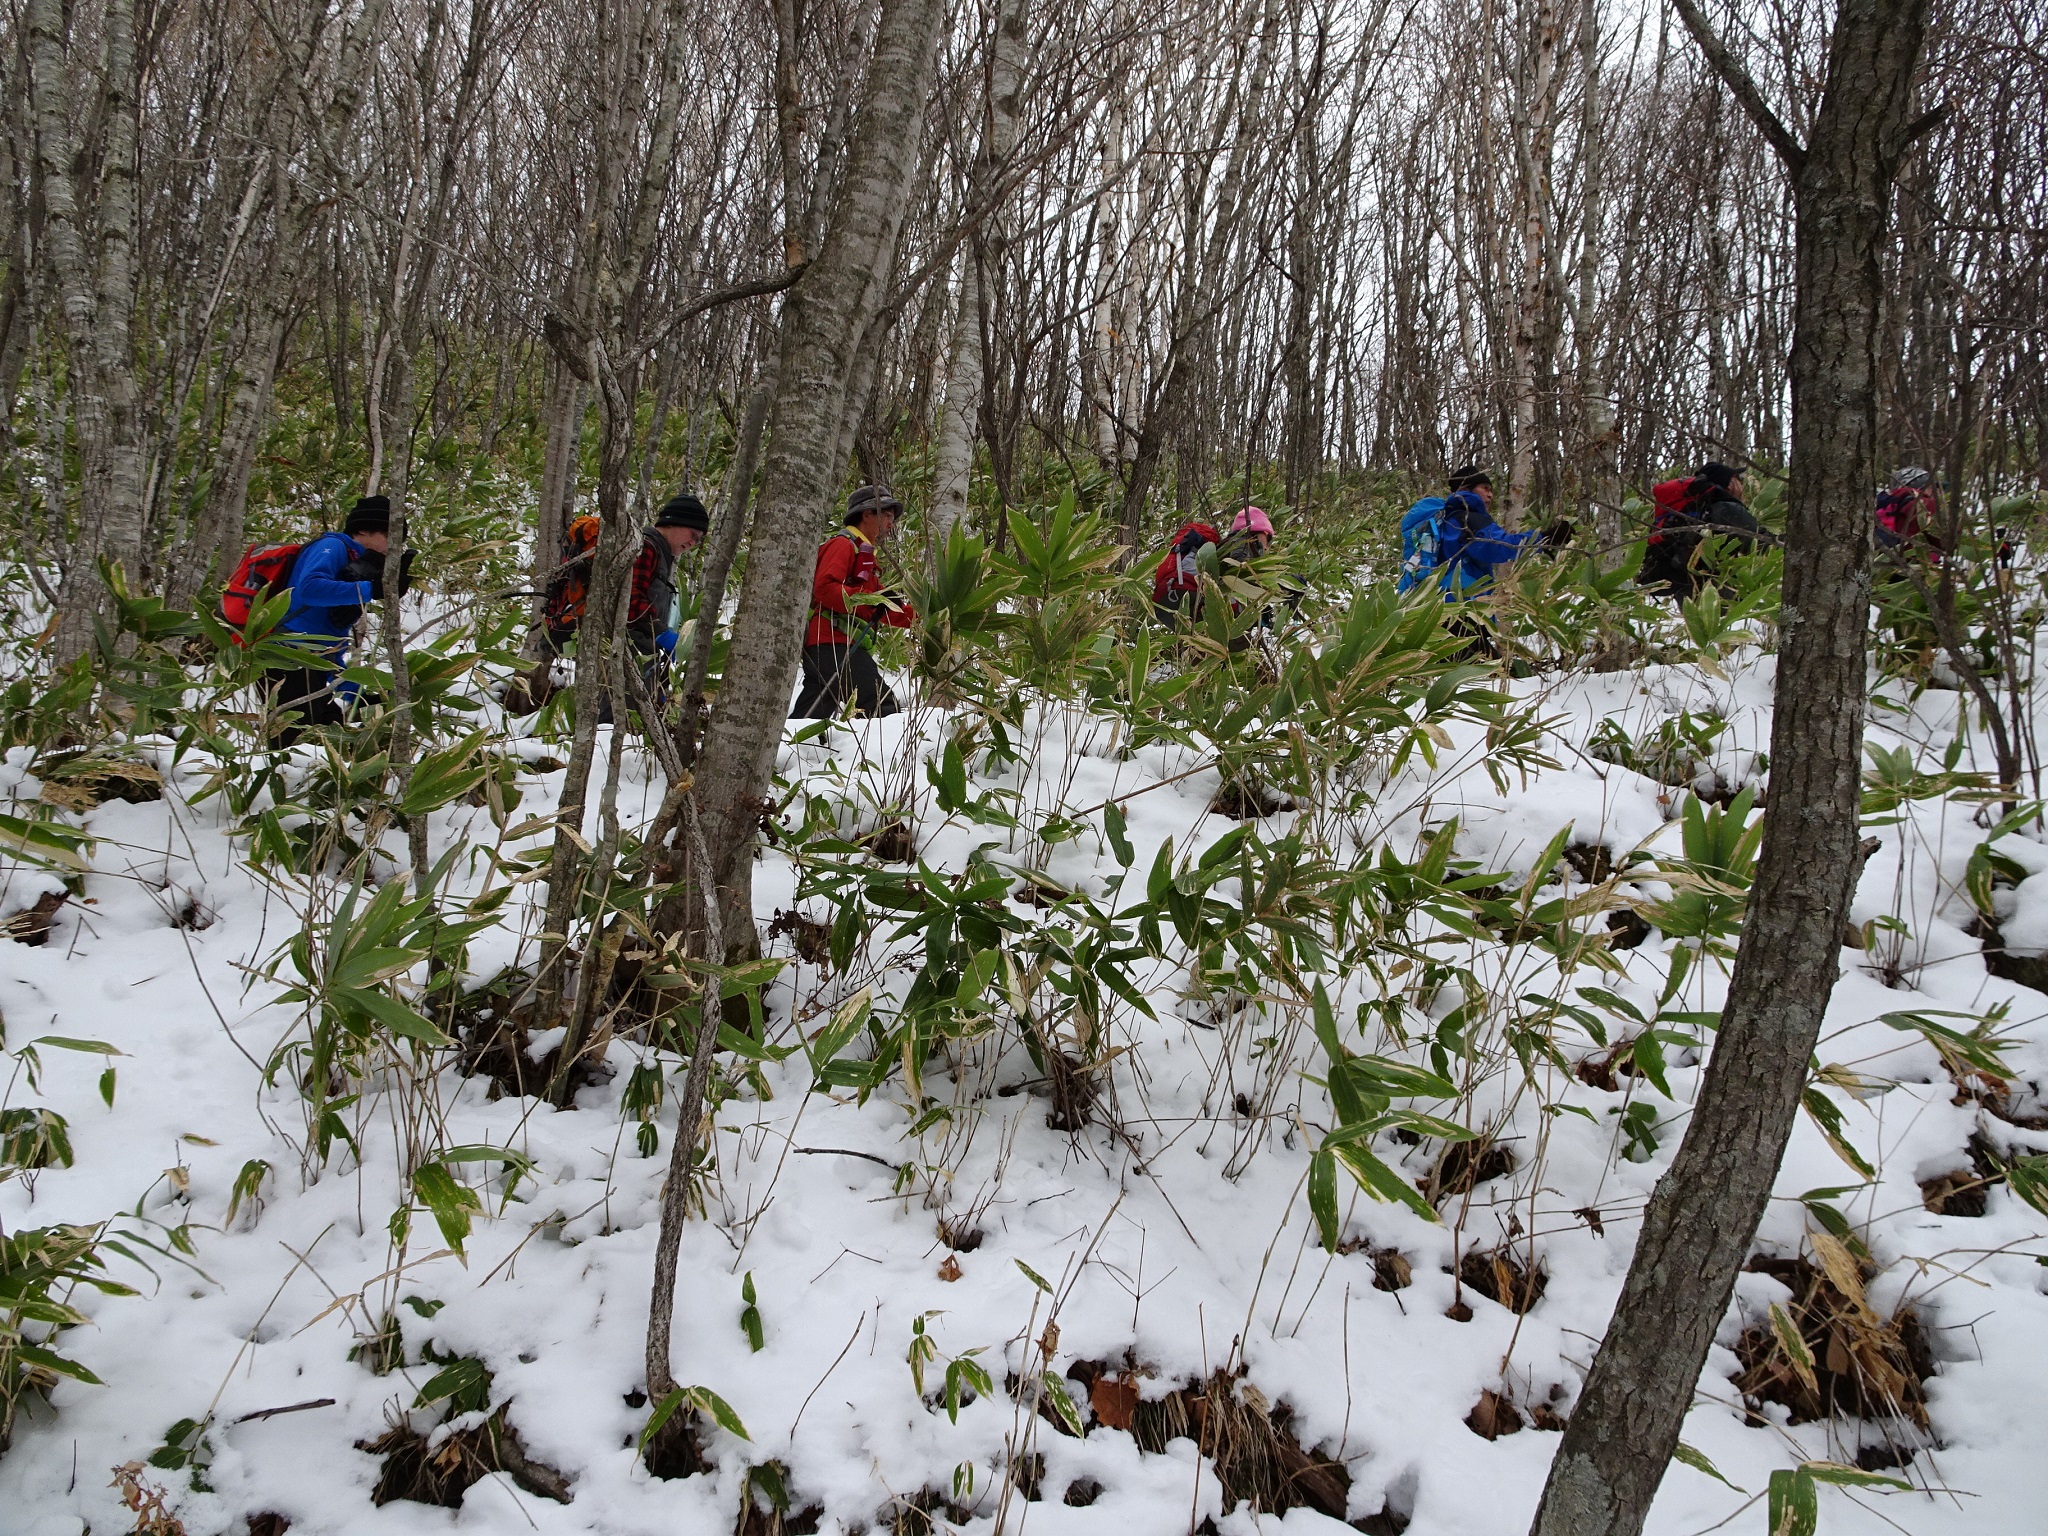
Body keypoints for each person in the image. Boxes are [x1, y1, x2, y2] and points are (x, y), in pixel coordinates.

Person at [266, 494, 412, 744]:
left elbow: (329, 650)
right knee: (293, 744)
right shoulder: (333, 547)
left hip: (309, 662)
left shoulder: (355, 565)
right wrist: (372, 589)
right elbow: (310, 589)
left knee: (330, 738)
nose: (393, 547)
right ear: (364, 530)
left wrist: (360, 696)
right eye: (390, 537)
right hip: (287, 658)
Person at [792, 485, 917, 719]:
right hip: (832, 643)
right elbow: (824, 588)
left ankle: (788, 753)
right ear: (866, 514)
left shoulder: (864, 556)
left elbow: (887, 610)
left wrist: (929, 619)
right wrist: (869, 603)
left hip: (828, 645)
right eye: (887, 515)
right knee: (881, 705)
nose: (891, 524)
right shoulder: (843, 545)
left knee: (812, 717)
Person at [1637, 461, 1771, 600]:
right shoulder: (1727, 509)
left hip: (1688, 596)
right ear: (1730, 483)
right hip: (1722, 596)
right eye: (1738, 479)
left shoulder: (1690, 511)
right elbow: (1761, 544)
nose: (1741, 485)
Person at [1397, 465, 1488, 593]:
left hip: (1418, 587)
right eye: (1485, 488)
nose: (1490, 495)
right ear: (1466, 490)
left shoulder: (1435, 516)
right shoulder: (1459, 519)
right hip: (1458, 593)